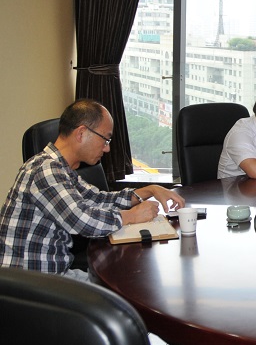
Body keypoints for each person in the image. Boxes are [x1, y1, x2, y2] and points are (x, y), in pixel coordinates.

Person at [0, 99, 185, 281]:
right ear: (81, 133)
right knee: (121, 288)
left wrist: (149, 190)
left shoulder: (61, 169)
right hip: (29, 285)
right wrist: (132, 216)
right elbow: (82, 220)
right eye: (105, 139)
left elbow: (97, 199)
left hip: (51, 275)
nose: (107, 148)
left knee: (118, 284)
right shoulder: (45, 170)